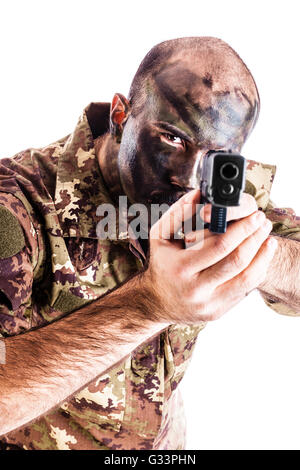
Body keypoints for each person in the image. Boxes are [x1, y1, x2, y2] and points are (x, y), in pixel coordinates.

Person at [0, 36, 299, 450]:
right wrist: (148, 304)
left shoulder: (217, 190)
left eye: (219, 154)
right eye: (173, 139)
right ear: (121, 116)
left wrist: (258, 254)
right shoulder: (18, 205)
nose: (190, 178)